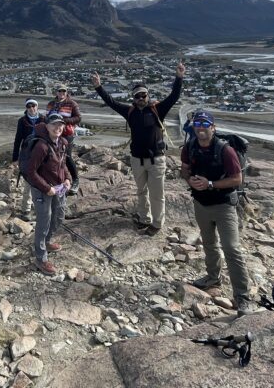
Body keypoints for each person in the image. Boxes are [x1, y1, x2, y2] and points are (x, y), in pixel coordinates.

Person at [91, 62, 184, 236]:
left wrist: (179, 77)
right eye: (137, 96)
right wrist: (99, 87)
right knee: (141, 191)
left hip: (156, 160)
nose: (141, 98)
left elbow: (174, 96)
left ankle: (157, 223)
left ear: (148, 95)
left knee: (157, 194)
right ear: (133, 98)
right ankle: (144, 218)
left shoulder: (157, 110)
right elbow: (111, 102)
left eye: (143, 95)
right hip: (137, 160)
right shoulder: (130, 112)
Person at [180, 109, 256, 316]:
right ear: (193, 127)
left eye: (205, 125)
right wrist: (190, 181)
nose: (201, 129)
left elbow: (236, 179)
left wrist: (210, 184)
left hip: (223, 205)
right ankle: (213, 277)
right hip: (201, 203)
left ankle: (242, 296)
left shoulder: (225, 150)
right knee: (209, 243)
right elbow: (184, 168)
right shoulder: (190, 147)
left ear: (213, 128)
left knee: (231, 248)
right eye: (198, 125)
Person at [23, 113, 71, 276]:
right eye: (54, 125)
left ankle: (47, 241)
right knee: (44, 221)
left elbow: (63, 164)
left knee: (59, 217)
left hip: (59, 187)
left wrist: (68, 179)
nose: (58, 128)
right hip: (43, 189)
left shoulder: (63, 143)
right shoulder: (41, 146)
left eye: (60, 125)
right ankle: (41, 258)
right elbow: (30, 172)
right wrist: (46, 188)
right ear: (47, 127)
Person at [12, 98, 44, 219]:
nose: (31, 108)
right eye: (29, 106)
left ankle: (41, 207)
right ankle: (26, 209)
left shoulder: (43, 119)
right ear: (26, 108)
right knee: (29, 181)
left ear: (37, 106)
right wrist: (15, 158)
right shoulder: (22, 121)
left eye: (33, 106)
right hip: (27, 155)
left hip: (42, 154)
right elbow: (18, 139)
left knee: (43, 180)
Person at [45, 84, 81, 194]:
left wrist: (64, 120)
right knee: (54, 157)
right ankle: (59, 179)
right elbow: (46, 117)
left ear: (66, 92)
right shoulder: (51, 104)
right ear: (56, 92)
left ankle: (75, 180)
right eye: (60, 91)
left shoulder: (72, 103)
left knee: (67, 156)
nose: (62, 93)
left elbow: (78, 118)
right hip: (53, 133)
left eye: (64, 91)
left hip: (66, 134)